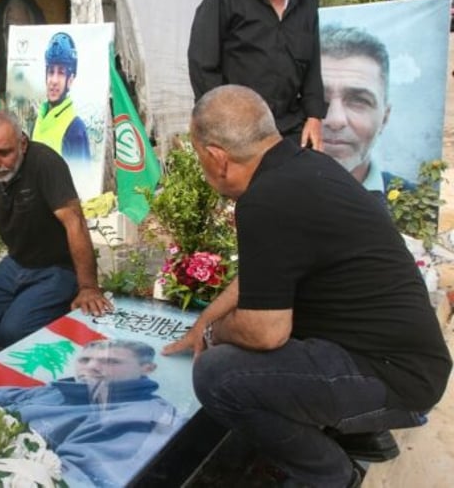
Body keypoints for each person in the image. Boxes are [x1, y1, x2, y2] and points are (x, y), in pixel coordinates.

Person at [162, 85, 451, 488]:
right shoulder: (302, 168)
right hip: (409, 361)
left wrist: (214, 333)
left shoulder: (265, 198)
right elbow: (261, 279)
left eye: (199, 157)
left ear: (217, 158)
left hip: (394, 377)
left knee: (219, 373)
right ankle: (365, 435)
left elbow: (266, 333)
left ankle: (328, 474)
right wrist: (204, 321)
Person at [0, 111, 111, 347]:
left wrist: (88, 286)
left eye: (3, 152)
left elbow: (75, 222)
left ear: (22, 143)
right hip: (15, 263)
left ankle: (61, 306)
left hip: (57, 268)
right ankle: (28, 310)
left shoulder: (45, 163)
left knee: (13, 334)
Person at [187, 0, 325, 150]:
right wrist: (222, 125)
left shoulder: (306, 0)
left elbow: (312, 65)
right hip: (242, 133)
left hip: (292, 129)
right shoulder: (222, 1)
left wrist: (314, 117)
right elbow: (203, 67)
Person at [0, 340, 179, 487]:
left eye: (111, 361)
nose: (91, 367)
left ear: (147, 368)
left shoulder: (140, 414)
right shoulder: (60, 390)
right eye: (85, 360)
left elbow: (74, 479)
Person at [320, 24, 413, 195]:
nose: (335, 120)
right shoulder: (259, 194)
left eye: (358, 101)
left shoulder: (418, 206)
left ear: (384, 118)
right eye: (317, 98)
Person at [31, 32, 91, 160]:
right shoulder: (37, 121)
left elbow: (82, 179)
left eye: (61, 73)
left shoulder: (75, 129)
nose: (54, 80)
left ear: (70, 80)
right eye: (51, 72)